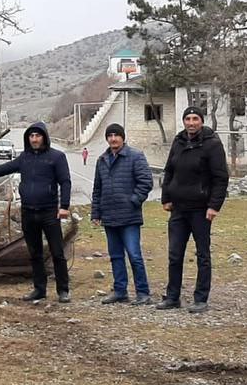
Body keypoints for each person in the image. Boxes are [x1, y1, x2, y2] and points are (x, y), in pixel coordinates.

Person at [0, 122, 72, 303]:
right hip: (28, 212)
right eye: (31, 136)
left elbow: (65, 182)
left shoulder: (57, 157)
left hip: (50, 212)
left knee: (57, 252)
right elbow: (5, 168)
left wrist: (64, 206)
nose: (34, 139)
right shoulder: (24, 158)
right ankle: (39, 289)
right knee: (34, 253)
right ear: (28, 138)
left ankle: (63, 290)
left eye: (38, 136)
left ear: (44, 137)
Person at [156, 106, 229, 314]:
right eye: (187, 119)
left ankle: (200, 298)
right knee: (174, 254)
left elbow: (220, 178)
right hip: (178, 209)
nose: (191, 123)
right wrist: (166, 197)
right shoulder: (179, 141)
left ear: (201, 121)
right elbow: (169, 170)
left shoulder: (212, 144)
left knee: (202, 255)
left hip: (201, 209)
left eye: (195, 119)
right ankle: (172, 297)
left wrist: (214, 206)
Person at [90, 123, 154, 305]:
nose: (113, 138)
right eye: (110, 135)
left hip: (129, 216)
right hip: (109, 216)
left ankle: (143, 292)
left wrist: (133, 200)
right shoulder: (102, 160)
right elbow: (97, 189)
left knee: (134, 255)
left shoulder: (135, 156)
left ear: (122, 137)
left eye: (116, 135)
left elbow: (146, 182)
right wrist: (96, 212)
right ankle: (120, 291)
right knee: (116, 255)